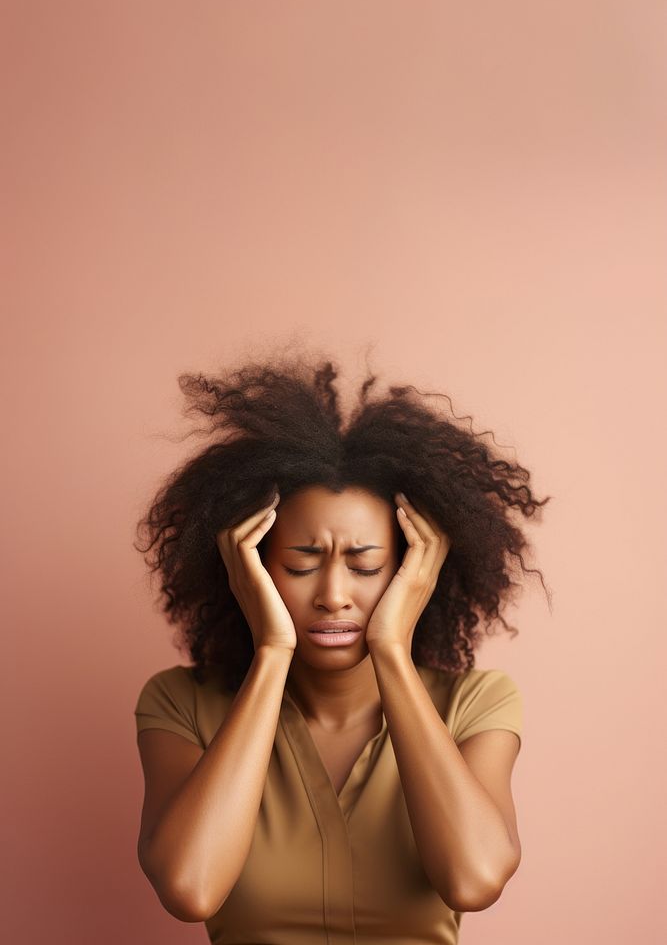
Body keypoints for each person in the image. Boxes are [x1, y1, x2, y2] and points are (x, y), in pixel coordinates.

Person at [133, 347, 551, 944]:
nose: (333, 594)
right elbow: (189, 888)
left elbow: (474, 879)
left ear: (414, 570)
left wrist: (392, 652)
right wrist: (272, 651)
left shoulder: (475, 704)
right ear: (248, 569)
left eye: (365, 563)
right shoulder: (180, 704)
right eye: (302, 564)